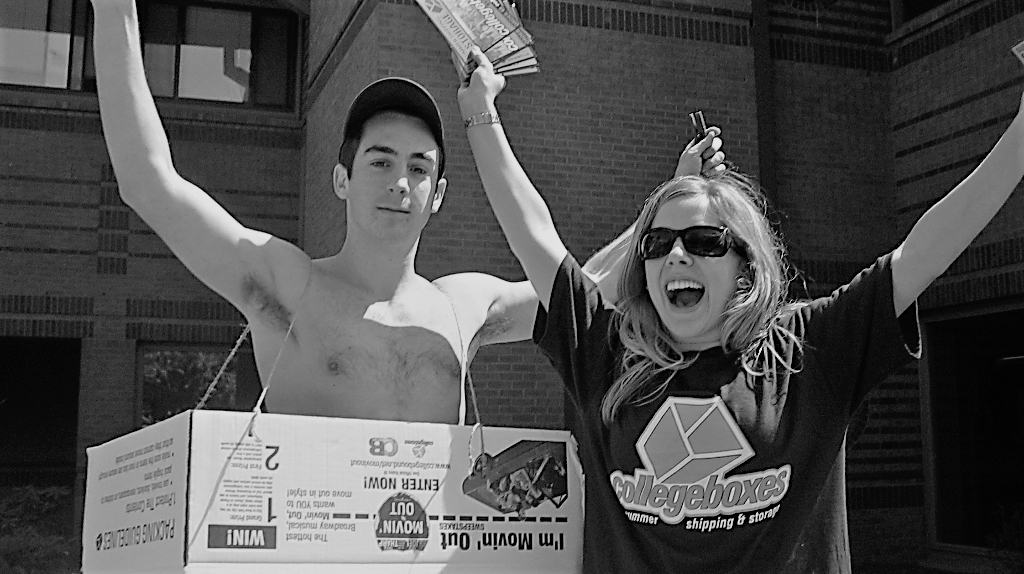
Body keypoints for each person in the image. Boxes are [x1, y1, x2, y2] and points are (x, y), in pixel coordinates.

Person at [458, 46, 1024, 572]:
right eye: (658, 245)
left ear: (744, 266)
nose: (676, 254)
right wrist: (480, 112)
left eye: (704, 241)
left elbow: (925, 250)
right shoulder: (607, 354)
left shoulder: (811, 348)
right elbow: (532, 233)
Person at [89, 0, 723, 424]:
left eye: (419, 169)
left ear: (438, 195)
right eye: (380, 161)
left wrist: (672, 196)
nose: (400, 181)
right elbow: (148, 182)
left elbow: (586, 293)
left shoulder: (461, 306)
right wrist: (113, 7)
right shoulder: (286, 283)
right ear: (341, 179)